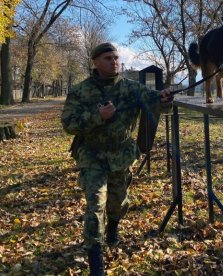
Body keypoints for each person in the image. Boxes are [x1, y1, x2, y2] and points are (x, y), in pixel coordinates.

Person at [61, 42, 173, 275]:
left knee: (118, 202)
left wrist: (164, 99)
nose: (114, 62)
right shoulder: (80, 91)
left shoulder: (131, 88)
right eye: (108, 58)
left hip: (121, 156)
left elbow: (155, 101)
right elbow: (68, 124)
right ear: (95, 62)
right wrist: (97, 116)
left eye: (116, 58)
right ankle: (96, 263)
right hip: (92, 156)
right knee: (95, 206)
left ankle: (113, 226)